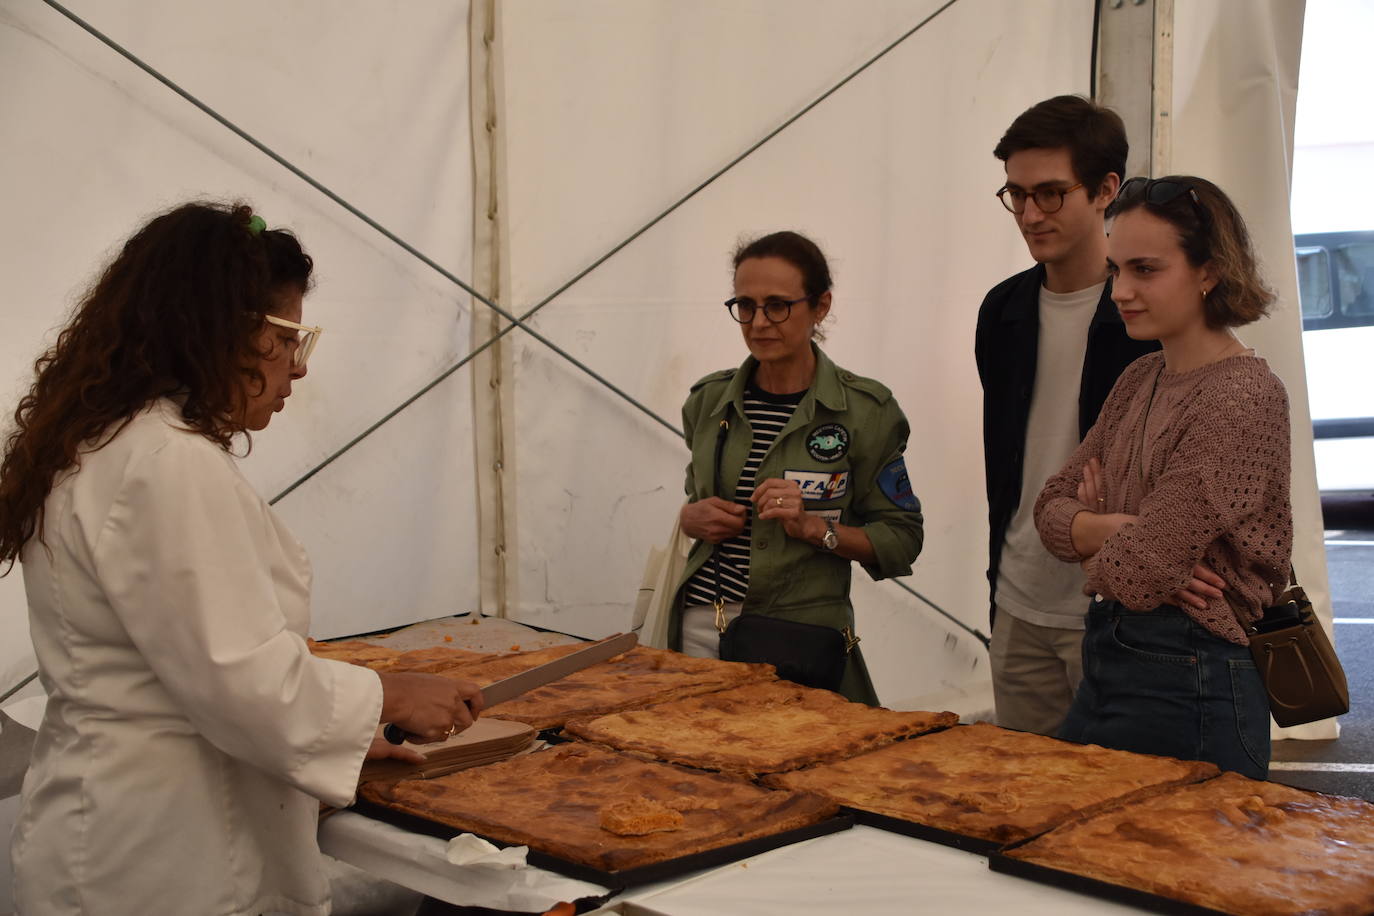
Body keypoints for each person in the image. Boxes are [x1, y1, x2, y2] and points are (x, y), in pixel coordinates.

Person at [0, 202, 484, 915]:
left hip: (119, 828)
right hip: (165, 856)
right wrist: (387, 695)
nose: (299, 366)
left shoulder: (104, 441)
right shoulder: (164, 464)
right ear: (222, 329)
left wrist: (349, 729)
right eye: (289, 336)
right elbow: (242, 679)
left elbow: (197, 664)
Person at [1034, 175, 1291, 779]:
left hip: (1193, 674)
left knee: (1171, 863)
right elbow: (1047, 510)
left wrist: (1097, 541)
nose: (1121, 291)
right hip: (1116, 658)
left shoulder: (1243, 394)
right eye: (1116, 269)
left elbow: (1141, 564)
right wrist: (1118, 529)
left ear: (1209, 271)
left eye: (1145, 270)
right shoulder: (1140, 378)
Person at [669, 230, 924, 705]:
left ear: (821, 306)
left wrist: (815, 528)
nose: (759, 322)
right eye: (745, 305)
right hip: (699, 627)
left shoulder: (866, 411)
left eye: (777, 305)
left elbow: (902, 539)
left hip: (796, 638)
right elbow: (694, 499)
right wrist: (689, 518)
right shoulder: (707, 401)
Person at [975, 95, 1159, 735]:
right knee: (1023, 809)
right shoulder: (1002, 311)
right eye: (1016, 194)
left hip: (1119, 610)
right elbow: (1007, 460)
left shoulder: (1148, 317)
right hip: (1018, 601)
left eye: (1050, 194)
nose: (1029, 214)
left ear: (1107, 189)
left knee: (1124, 815)